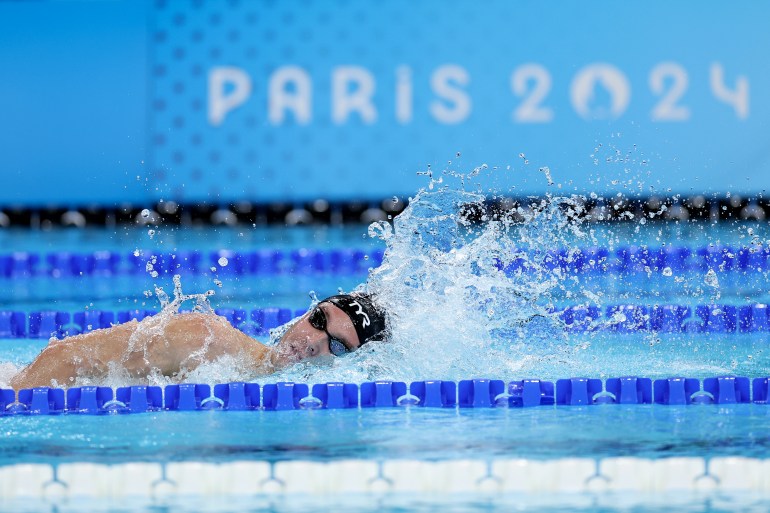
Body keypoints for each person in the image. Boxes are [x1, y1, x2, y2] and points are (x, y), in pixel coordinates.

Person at [9, 293, 388, 390]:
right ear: (307, 313)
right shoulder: (207, 340)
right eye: (319, 320)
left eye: (337, 346)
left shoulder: (255, 378)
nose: (313, 343)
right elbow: (64, 355)